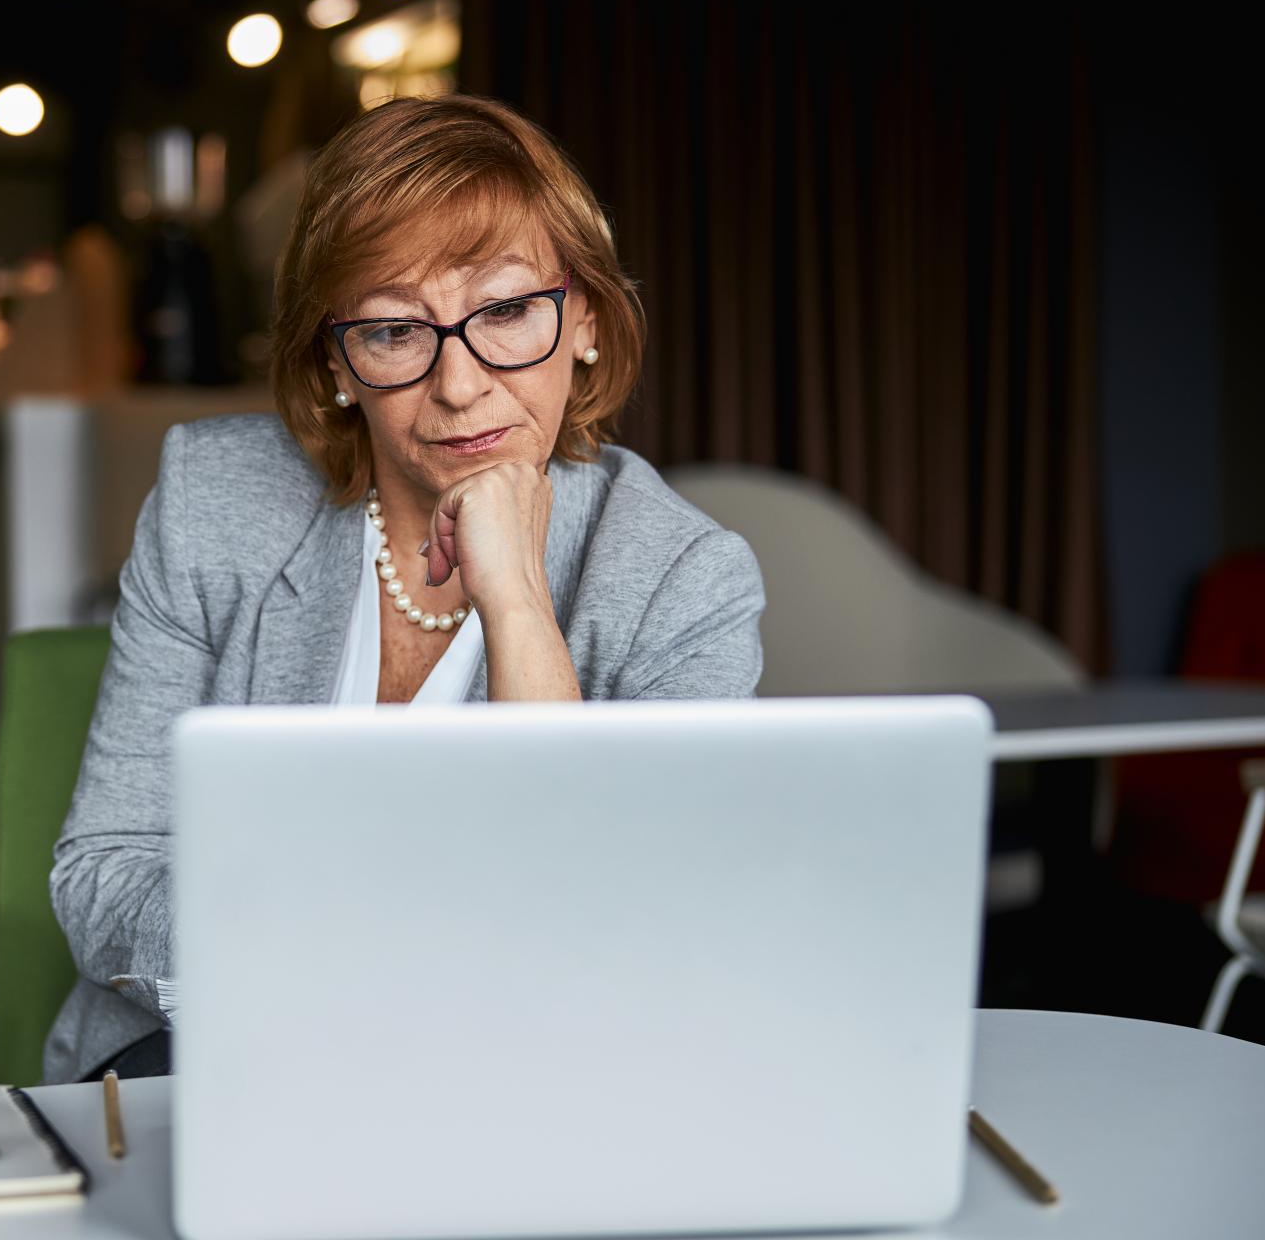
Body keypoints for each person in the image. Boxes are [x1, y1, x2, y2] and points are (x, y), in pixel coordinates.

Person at [44, 94, 766, 1083]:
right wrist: (351, 969)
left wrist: (516, 602)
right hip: (214, 1060)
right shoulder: (212, 501)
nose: (461, 383)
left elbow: (616, 923)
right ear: (335, 362)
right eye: (392, 330)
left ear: (586, 318)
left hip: (522, 1084)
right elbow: (104, 872)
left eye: (509, 312)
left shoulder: (684, 580)